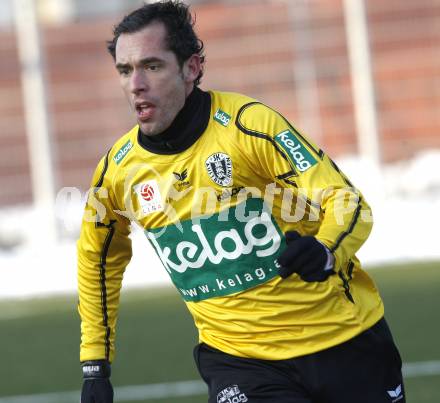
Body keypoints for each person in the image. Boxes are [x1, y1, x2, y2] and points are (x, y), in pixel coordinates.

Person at [77, 1, 405, 402]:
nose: (135, 84)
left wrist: (325, 249)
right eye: (125, 71)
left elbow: (345, 200)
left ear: (191, 68)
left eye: (152, 66)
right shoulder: (118, 171)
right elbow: (96, 259)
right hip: (240, 362)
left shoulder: (251, 126)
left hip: (344, 341)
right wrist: (95, 363)